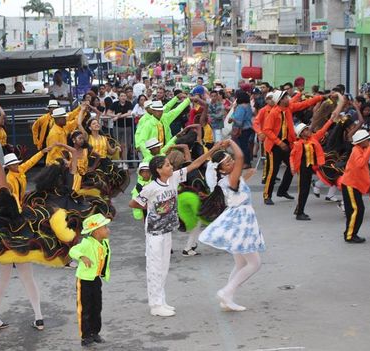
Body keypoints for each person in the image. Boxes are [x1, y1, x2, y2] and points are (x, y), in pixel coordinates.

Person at [129, 143, 220, 317]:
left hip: (167, 231)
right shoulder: (150, 188)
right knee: (154, 267)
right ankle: (155, 305)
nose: (171, 167)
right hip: (154, 233)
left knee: (164, 267)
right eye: (167, 165)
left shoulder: (174, 178)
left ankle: (161, 301)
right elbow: (133, 203)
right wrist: (153, 209)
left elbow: (194, 164)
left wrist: (214, 149)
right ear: (159, 170)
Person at [199, 139, 265, 312]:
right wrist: (231, 142)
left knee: (241, 263)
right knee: (255, 263)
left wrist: (247, 175)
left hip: (238, 220)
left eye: (231, 159)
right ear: (221, 169)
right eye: (228, 162)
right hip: (241, 222)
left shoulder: (227, 179)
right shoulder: (231, 178)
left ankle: (227, 298)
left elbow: (238, 181)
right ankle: (226, 292)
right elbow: (241, 156)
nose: (232, 162)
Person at [262, 90, 325, 205]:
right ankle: (267, 195)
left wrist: (320, 98)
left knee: (293, 167)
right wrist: (279, 142)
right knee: (273, 171)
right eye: (285, 97)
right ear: (280, 101)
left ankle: (282, 190)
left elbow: (305, 104)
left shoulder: (288, 108)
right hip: (274, 146)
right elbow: (266, 130)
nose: (288, 99)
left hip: (287, 144)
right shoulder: (273, 113)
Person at [69, 213, 112, 347]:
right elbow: (73, 250)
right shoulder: (87, 243)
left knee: (96, 306)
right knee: (84, 308)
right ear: (96, 231)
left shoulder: (104, 242)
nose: (108, 230)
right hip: (84, 280)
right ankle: (85, 335)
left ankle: (95, 332)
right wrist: (82, 257)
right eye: (105, 227)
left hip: (95, 279)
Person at [290, 113, 337, 221]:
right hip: (302, 168)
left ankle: (299, 210)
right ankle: (300, 212)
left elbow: (322, 131)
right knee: (303, 190)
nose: (308, 131)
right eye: (305, 130)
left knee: (305, 190)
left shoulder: (313, 139)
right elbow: (292, 156)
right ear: (301, 134)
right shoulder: (298, 144)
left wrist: (330, 120)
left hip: (309, 168)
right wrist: (293, 168)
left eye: (307, 129)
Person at [339, 130, 370, 243]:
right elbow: (361, 163)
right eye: (367, 140)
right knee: (356, 210)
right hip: (351, 184)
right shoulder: (356, 150)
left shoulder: (360, 149)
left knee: (357, 210)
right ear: (361, 142)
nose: (369, 142)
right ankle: (350, 235)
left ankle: (351, 233)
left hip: (353, 184)